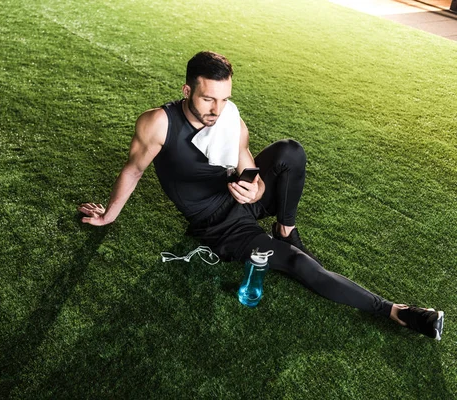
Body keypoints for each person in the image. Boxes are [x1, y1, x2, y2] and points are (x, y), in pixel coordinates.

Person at [78, 51, 444, 340]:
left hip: (241, 201)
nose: (216, 110)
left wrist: (256, 189)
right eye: (208, 99)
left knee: (290, 151)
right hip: (220, 227)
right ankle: (396, 311)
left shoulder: (229, 119)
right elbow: (134, 169)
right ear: (187, 90)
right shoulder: (158, 122)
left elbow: (248, 166)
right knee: (301, 266)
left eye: (224, 100)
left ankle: (285, 228)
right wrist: (109, 214)